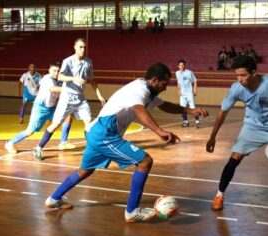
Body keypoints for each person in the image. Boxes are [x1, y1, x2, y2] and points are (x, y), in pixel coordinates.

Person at [44, 63, 208, 223]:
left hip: (97, 132)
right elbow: (139, 109)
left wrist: (190, 110)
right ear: (154, 80)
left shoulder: (148, 92)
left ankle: (53, 199)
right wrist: (159, 131)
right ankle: (132, 211)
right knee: (145, 161)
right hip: (104, 133)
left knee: (84, 171)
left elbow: (165, 105)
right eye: (164, 84)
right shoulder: (139, 89)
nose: (165, 88)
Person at [206, 56, 268, 210]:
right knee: (235, 158)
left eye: (243, 75)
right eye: (237, 75)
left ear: (254, 73)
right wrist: (212, 137)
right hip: (252, 127)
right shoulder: (237, 88)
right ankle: (219, 195)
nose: (240, 79)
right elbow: (223, 112)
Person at [33, 38, 106, 160]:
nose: (83, 49)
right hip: (67, 98)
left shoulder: (88, 62)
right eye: (80, 47)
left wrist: (99, 95)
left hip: (80, 99)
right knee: (55, 124)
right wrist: (73, 78)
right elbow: (60, 76)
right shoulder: (68, 61)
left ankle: (93, 151)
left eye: (84, 47)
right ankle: (39, 148)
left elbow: (92, 80)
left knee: (89, 124)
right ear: (75, 47)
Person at [5, 62, 63, 153]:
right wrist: (70, 90)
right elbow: (53, 89)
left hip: (51, 108)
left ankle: (62, 142)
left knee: (63, 120)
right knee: (30, 132)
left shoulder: (60, 80)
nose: (56, 73)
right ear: (49, 70)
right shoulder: (47, 78)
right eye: (54, 70)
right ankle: (9, 143)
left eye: (58, 71)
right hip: (40, 108)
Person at [176, 59, 201, 128]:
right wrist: (179, 90)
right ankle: (186, 122)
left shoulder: (189, 72)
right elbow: (178, 81)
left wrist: (195, 90)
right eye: (180, 65)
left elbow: (195, 80)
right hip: (182, 94)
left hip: (189, 93)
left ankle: (197, 122)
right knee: (182, 108)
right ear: (178, 66)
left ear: (185, 65)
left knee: (192, 108)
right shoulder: (177, 73)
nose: (182, 66)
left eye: (183, 65)